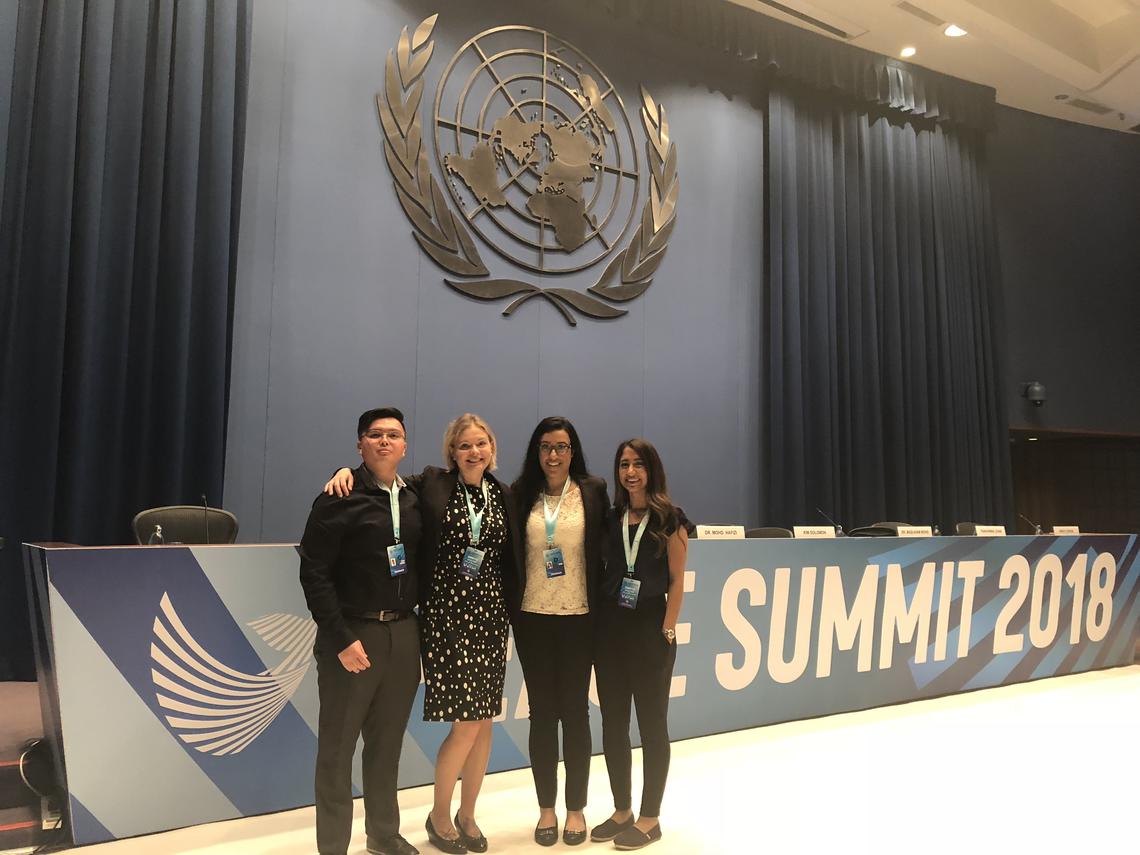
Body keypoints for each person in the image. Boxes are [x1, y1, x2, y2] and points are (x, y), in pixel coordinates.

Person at [325, 414, 520, 855]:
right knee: (466, 722)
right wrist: (342, 473)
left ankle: (467, 814)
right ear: (452, 451)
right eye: (465, 445)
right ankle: (438, 814)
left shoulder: (503, 494)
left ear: (492, 448)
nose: (474, 452)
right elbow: (380, 477)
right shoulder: (431, 484)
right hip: (448, 618)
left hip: (490, 617)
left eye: (482, 444)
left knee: (484, 720)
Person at [299, 407, 422, 855]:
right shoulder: (337, 497)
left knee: (386, 746)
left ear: (405, 446)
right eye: (375, 435)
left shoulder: (415, 496)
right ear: (360, 445)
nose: (385, 441)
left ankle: (383, 836)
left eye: (393, 435)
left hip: (404, 635)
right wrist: (340, 640)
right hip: (353, 636)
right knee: (337, 751)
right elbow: (314, 574)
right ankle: (333, 846)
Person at [509, 417, 609, 847]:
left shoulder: (594, 491)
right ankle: (546, 808)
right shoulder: (518, 495)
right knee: (541, 715)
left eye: (562, 447)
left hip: (580, 616)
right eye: (546, 446)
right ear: (537, 451)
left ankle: (575, 809)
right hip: (532, 617)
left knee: (576, 713)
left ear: (573, 451)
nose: (554, 455)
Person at [590, 439, 687, 851]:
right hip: (611, 632)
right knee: (613, 725)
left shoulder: (671, 519)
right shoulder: (611, 518)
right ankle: (622, 810)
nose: (630, 472)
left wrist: (667, 628)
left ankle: (650, 818)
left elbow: (677, 579)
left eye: (639, 464)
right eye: (624, 465)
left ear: (652, 470)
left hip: (650, 630)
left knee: (651, 726)